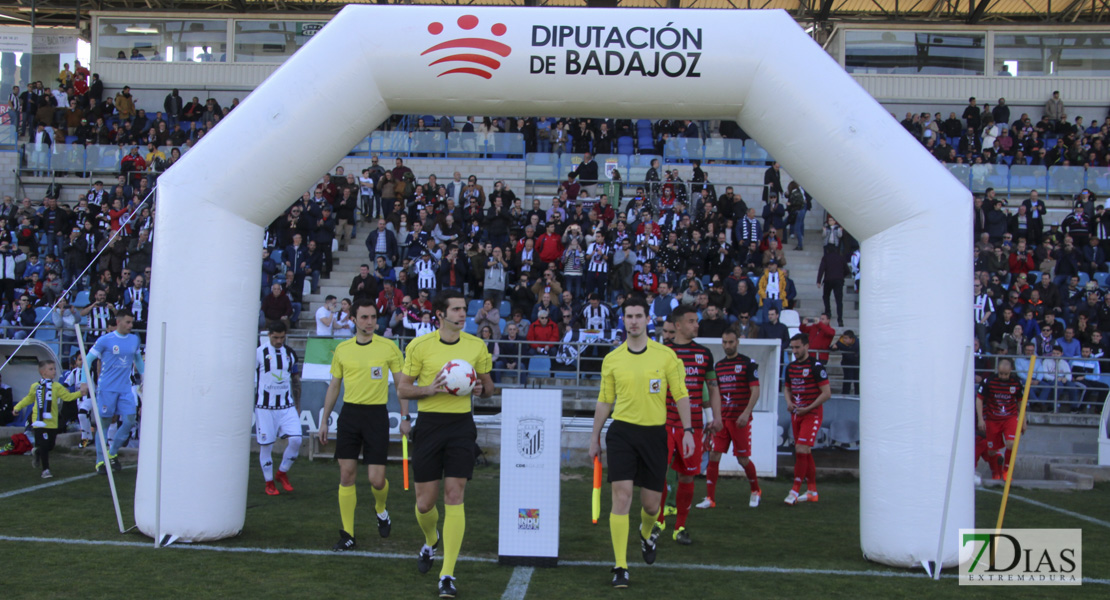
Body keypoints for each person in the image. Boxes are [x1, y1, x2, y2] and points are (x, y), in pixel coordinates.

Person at [589, 294, 692, 589]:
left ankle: (647, 535)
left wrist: (688, 430)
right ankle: (620, 566)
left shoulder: (666, 355)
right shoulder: (612, 358)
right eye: (628, 316)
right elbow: (604, 401)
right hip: (621, 433)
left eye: (638, 316)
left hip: (654, 436)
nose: (633, 321)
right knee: (621, 497)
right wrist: (594, 437)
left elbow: (681, 394)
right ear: (623, 320)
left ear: (649, 319)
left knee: (650, 506)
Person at [397, 290, 494, 599]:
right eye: (456, 309)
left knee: (455, 495)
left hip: (461, 427)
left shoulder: (476, 345)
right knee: (425, 503)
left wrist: (480, 388)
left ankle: (447, 574)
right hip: (429, 426)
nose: (462, 314)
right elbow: (403, 388)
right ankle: (430, 541)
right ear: (440, 314)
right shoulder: (419, 346)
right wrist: (429, 389)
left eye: (464, 308)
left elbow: (489, 387)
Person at [318, 298, 405, 551]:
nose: (370, 322)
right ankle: (348, 534)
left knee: (377, 481)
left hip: (376, 417)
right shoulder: (343, 349)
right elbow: (334, 386)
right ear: (353, 319)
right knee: (346, 476)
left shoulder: (389, 347)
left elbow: (401, 385)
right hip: (349, 416)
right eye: (364, 317)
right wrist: (324, 420)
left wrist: (405, 417)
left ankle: (381, 510)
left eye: (373, 317)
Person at [655, 306, 721, 545]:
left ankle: (680, 526)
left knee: (687, 477)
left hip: (692, 426)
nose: (697, 325)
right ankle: (658, 520)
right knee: (658, 474)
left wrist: (717, 416)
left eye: (697, 321)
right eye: (692, 321)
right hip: (663, 424)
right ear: (679, 325)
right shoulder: (663, 352)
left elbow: (713, 389)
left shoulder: (704, 354)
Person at [698, 328, 762, 509]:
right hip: (723, 420)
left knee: (742, 459)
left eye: (731, 342)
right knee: (714, 455)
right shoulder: (718, 366)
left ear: (737, 342)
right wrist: (713, 417)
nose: (727, 346)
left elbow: (755, 390)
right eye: (724, 342)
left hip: (740, 420)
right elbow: (714, 393)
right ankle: (710, 498)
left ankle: (755, 490)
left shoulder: (748, 364)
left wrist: (746, 412)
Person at [86, 309, 143, 474]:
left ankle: (112, 453)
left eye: (132, 322)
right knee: (103, 424)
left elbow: (138, 360)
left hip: (125, 388)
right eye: (128, 322)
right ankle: (100, 461)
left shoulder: (134, 339)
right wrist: (84, 382)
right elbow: (88, 359)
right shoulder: (105, 340)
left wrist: (145, 378)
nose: (131, 325)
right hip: (107, 388)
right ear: (118, 322)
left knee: (130, 421)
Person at [13, 359, 88, 478]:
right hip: (39, 422)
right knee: (43, 444)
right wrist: (17, 407)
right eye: (51, 369)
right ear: (43, 373)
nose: (54, 371)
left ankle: (37, 452)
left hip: (52, 422)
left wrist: (80, 393)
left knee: (50, 445)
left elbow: (67, 397)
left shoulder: (57, 386)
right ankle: (45, 470)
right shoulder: (35, 386)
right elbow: (28, 399)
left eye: (54, 369)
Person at [255, 322, 302, 495]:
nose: (279, 341)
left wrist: (297, 405)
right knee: (266, 445)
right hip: (265, 407)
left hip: (286, 405)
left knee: (296, 439)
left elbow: (296, 380)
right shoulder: (259, 353)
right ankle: (269, 483)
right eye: (275, 337)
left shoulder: (289, 353)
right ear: (269, 335)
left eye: (282, 337)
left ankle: (282, 472)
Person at [783, 333, 831, 505]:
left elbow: (827, 393)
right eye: (793, 348)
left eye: (797, 347)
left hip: (811, 413)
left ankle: (795, 490)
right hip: (796, 414)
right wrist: (789, 402)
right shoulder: (791, 367)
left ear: (806, 346)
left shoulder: (816, 366)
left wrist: (809, 408)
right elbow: (787, 388)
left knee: (801, 449)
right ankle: (812, 491)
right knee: (805, 451)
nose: (794, 351)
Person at [976, 357, 1027, 481]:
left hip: (1010, 417)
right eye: (1001, 373)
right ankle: (996, 471)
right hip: (992, 419)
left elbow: (1021, 402)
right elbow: (979, 399)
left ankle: (1006, 470)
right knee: (992, 451)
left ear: (1011, 370)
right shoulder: (989, 381)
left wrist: (1023, 420)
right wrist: (980, 419)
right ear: (997, 370)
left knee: (1011, 443)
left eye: (1006, 374)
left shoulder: (1016, 382)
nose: (1003, 376)